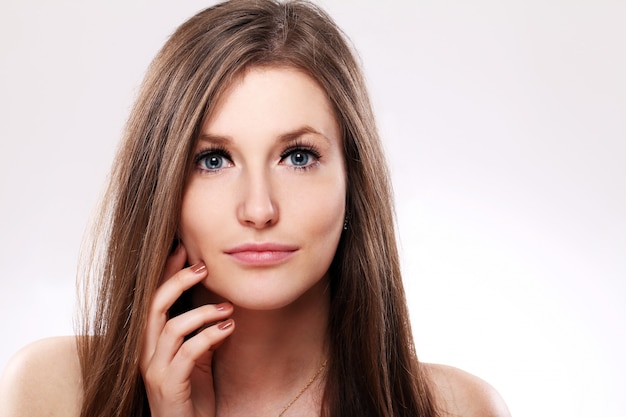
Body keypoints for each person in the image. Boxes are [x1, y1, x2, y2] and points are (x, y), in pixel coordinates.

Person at [0, 1, 511, 416]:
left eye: (298, 156)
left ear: (354, 181)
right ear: (163, 188)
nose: (259, 209)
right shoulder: (54, 392)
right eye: (214, 159)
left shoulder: (456, 409)